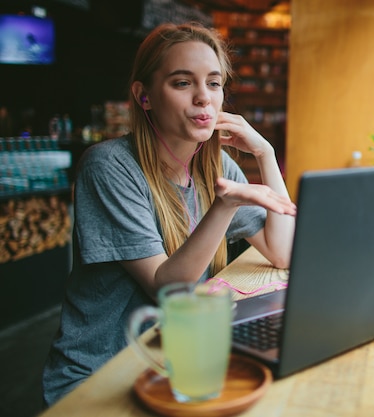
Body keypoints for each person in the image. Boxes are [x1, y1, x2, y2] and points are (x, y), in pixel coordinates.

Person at [42, 22, 296, 406]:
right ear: (144, 97)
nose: (204, 99)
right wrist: (224, 206)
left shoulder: (217, 166)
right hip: (102, 376)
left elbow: (282, 252)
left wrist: (265, 154)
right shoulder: (109, 166)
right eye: (182, 83)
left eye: (213, 83)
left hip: (176, 362)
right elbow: (168, 288)